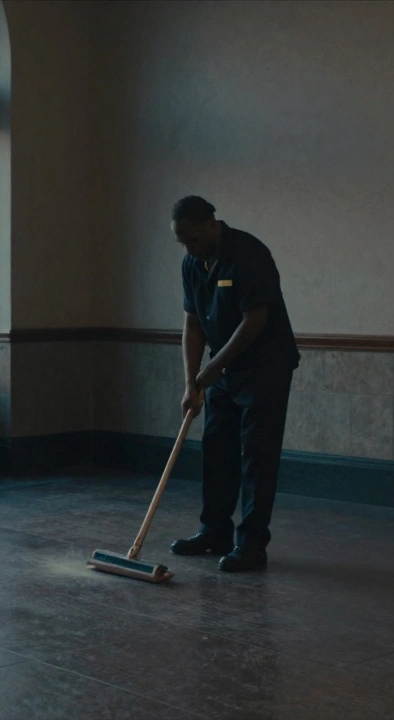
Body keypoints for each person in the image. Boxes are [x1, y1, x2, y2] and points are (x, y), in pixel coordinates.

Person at [168, 196, 300, 572]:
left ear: (212, 224)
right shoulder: (192, 264)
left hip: (265, 367)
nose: (188, 248)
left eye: (191, 238)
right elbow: (192, 325)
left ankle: (253, 545)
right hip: (222, 372)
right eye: (181, 241)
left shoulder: (248, 253)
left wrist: (212, 370)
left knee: (256, 456)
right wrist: (192, 381)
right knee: (217, 449)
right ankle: (214, 532)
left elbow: (254, 321)